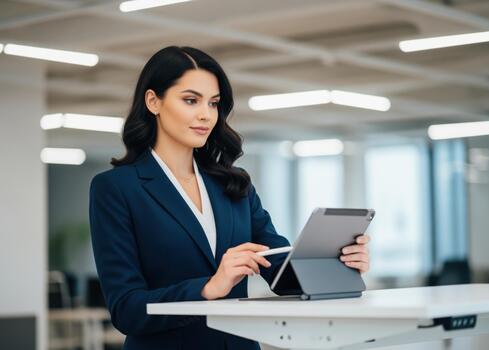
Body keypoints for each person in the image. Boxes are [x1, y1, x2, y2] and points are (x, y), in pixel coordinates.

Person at [89, 46, 370, 350]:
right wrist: (209, 287)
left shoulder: (235, 185)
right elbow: (126, 309)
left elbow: (280, 271)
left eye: (213, 103)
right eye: (190, 100)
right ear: (153, 101)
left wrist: (336, 264)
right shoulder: (116, 188)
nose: (205, 115)